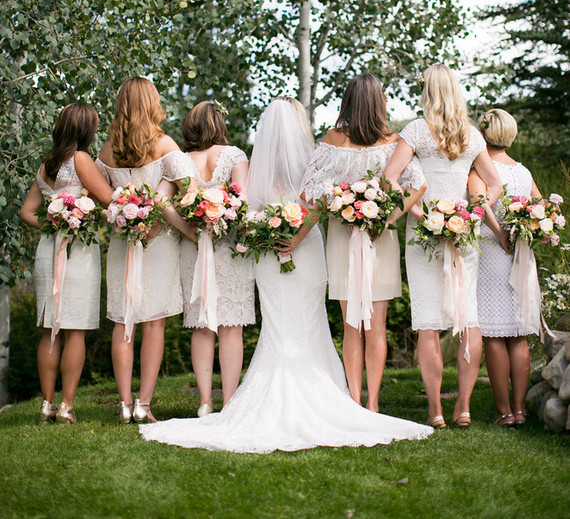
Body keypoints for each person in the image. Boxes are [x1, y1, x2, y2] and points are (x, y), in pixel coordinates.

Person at [139, 97, 433, 451]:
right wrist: (297, 234)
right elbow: (317, 202)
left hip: (268, 253)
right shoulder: (313, 157)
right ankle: (342, 397)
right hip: (305, 249)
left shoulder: (260, 162)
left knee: (278, 324)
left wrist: (267, 229)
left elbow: (248, 206)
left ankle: (226, 399)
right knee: (307, 321)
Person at [383, 64, 502, 428]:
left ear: (429, 93)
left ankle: (435, 410)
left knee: (428, 323)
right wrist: (469, 216)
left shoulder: (417, 130)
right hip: (463, 234)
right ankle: (463, 407)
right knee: (468, 318)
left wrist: (421, 215)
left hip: (425, 235)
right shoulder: (472, 135)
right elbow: (494, 185)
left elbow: (389, 179)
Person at [300, 74, 426, 411]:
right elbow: (418, 186)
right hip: (380, 238)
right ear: (377, 102)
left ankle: (355, 400)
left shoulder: (333, 138)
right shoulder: (394, 141)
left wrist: (339, 203)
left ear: (348, 101)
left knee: (352, 324)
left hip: (343, 238)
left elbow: (308, 191)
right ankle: (371, 403)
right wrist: (386, 220)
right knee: (376, 324)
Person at [96, 77, 192, 424]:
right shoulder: (164, 144)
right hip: (160, 242)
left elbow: (99, 196)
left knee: (125, 323)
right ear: (152, 103)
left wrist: (123, 212)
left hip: (124, 242)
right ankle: (143, 405)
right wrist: (164, 199)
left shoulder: (107, 151)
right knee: (154, 325)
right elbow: (192, 188)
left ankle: (123, 405)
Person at [20, 102, 114, 423]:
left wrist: (53, 223)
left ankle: (46, 404)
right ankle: (66, 407)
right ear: (85, 129)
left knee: (51, 329)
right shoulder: (81, 159)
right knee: (75, 330)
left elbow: (26, 212)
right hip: (77, 252)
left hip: (48, 249)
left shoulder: (47, 165)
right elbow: (108, 199)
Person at [178, 101, 254, 414]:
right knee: (231, 327)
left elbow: (168, 204)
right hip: (229, 248)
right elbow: (244, 203)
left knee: (202, 326)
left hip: (194, 250)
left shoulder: (181, 161)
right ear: (219, 124)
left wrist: (192, 231)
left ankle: (205, 402)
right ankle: (231, 402)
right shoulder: (235, 155)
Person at [469, 109, 542, 427]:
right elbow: (541, 210)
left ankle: (503, 412)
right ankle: (521, 410)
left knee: (495, 335)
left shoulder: (479, 169)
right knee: (519, 334)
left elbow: (478, 204)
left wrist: (500, 232)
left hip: (490, 252)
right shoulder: (523, 173)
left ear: (483, 133)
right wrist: (525, 233)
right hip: (521, 256)